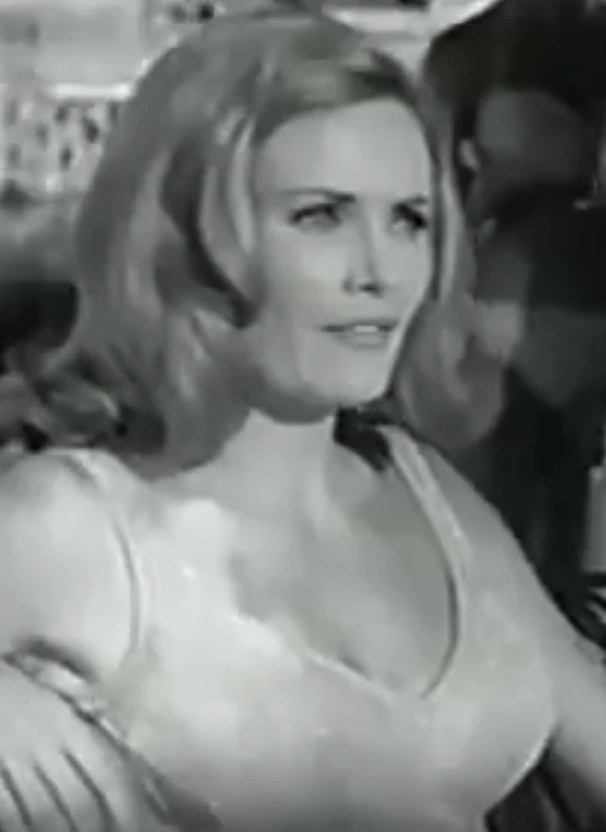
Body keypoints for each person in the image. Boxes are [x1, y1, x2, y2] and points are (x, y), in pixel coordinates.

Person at [0, 9, 606, 832]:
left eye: (409, 220)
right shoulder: (74, 524)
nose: (381, 271)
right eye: (322, 216)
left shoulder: (423, 491)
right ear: (185, 240)